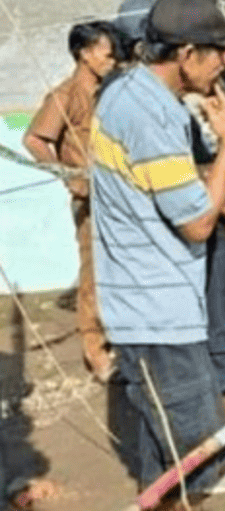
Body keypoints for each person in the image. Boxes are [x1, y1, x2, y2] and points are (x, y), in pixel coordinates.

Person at [90, 0, 225, 511]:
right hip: (153, 311)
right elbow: (196, 222)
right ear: (185, 54)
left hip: (159, 301)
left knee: (165, 452)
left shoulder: (143, 99)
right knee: (196, 443)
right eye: (217, 51)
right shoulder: (146, 112)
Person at [23, 21, 121, 382]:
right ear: (85, 53)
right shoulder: (66, 95)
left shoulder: (107, 92)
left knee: (120, 270)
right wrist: (69, 176)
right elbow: (34, 140)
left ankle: (120, 340)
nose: (111, 61)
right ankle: (96, 354)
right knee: (94, 276)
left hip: (118, 195)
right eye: (106, 54)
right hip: (90, 199)